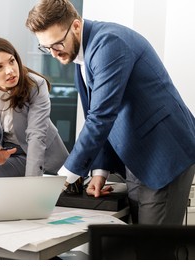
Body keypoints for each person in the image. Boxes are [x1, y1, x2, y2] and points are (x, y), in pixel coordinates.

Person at [25, 0, 195, 225]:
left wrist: (64, 179)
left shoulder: (109, 43)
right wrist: (100, 170)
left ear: (76, 26)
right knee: (137, 243)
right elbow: (101, 114)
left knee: (153, 251)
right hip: (136, 156)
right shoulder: (81, 52)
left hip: (164, 153)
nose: (53, 54)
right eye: (46, 48)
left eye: (57, 44)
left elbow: (101, 116)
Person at [0, 37, 69, 185]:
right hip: (8, 158)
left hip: (41, 155)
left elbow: (36, 135)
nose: (10, 71)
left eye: (11, 61)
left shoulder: (36, 85)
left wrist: (31, 182)